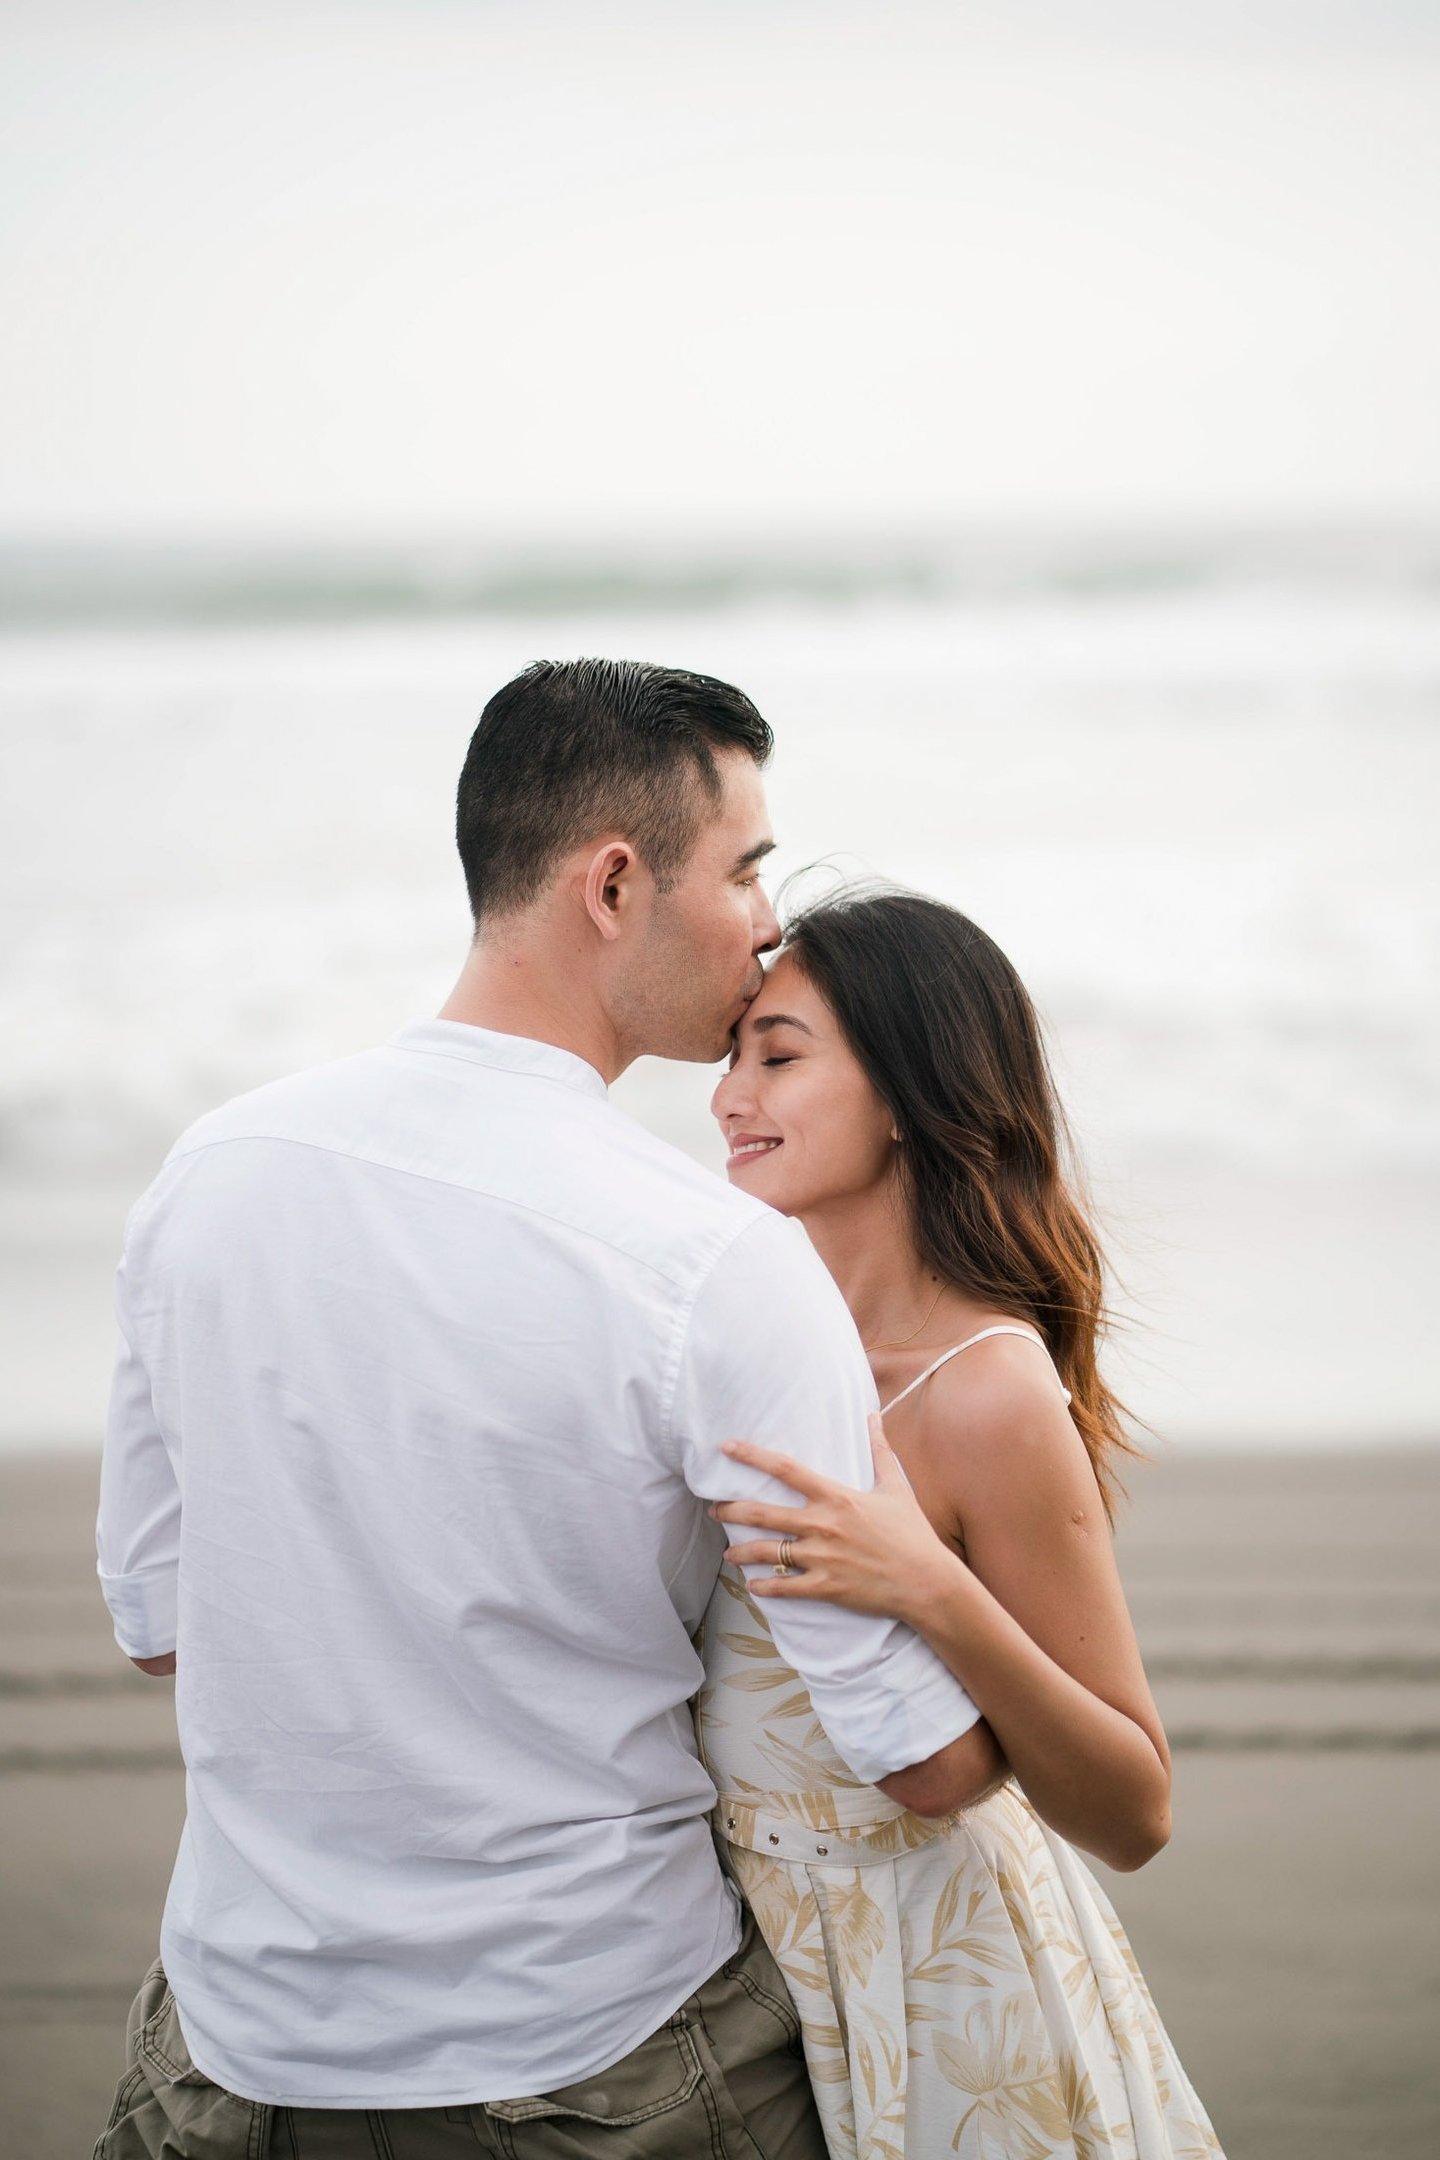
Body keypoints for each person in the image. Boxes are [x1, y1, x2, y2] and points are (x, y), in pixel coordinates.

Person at [92, 661, 999, 2160]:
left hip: (238, 2052)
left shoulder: (212, 1174)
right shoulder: (712, 1262)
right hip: (587, 2063)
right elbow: (926, 1761)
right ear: (616, 882)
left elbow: (161, 1625)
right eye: (747, 865)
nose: (767, 917)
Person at [703, 889, 1225, 2160]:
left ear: (902, 1093)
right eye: (729, 1054)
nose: (729, 1096)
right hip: (733, 1960)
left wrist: (931, 1591)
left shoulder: (987, 1389)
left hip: (940, 1980)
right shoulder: (742, 1337)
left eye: (778, 1056)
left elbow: (1134, 1808)